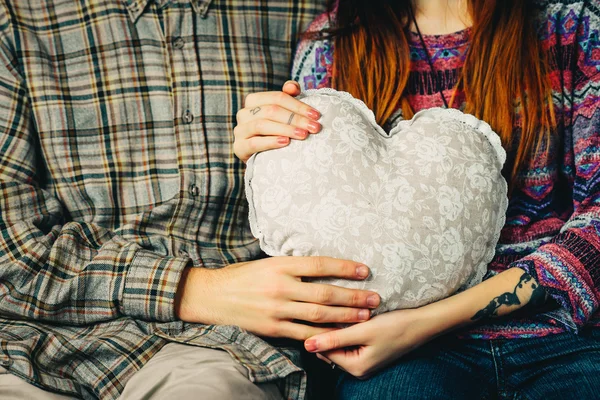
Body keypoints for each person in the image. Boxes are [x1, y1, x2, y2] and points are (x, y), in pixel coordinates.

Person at [0, 1, 385, 399]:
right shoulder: (17, 18)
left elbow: (372, 183)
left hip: (211, 349)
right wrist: (193, 289)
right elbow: (7, 247)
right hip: (27, 341)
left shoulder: (308, 14)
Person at [234, 0, 600, 398]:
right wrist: (267, 158)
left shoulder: (571, 24)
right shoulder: (332, 42)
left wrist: (425, 323)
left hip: (563, 332)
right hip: (400, 355)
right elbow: (317, 239)